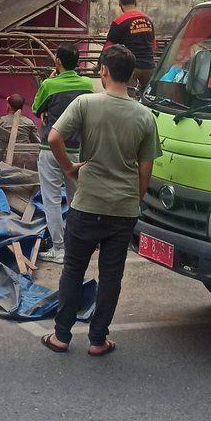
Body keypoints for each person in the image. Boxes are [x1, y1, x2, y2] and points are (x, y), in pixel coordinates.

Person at [42, 45, 159, 356]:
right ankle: (98, 340)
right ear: (131, 74)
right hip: (123, 209)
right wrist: (134, 199)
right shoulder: (145, 115)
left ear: (104, 70)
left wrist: (69, 168)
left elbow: (53, 137)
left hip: (87, 203)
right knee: (111, 276)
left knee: (73, 268)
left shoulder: (86, 103)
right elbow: (146, 169)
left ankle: (61, 336)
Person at [31, 44, 92, 265]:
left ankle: (58, 249)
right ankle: (77, 246)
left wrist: (49, 81)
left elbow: (36, 108)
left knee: (52, 200)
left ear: (58, 61)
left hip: (50, 151)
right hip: (76, 150)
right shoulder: (87, 85)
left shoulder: (50, 85)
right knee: (77, 199)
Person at [104, 0, 157, 94]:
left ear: (120, 3)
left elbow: (108, 48)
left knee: (128, 98)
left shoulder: (119, 22)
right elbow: (153, 46)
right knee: (149, 98)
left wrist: (99, 64)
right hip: (150, 67)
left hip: (131, 68)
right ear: (136, 2)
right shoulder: (148, 20)